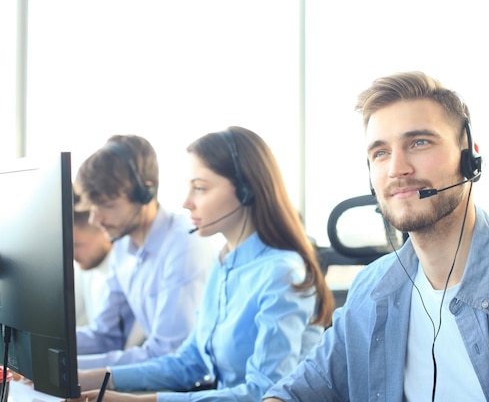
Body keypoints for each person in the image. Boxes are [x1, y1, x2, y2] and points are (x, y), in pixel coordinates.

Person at [263, 71, 489, 401]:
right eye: (381, 152)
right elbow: (298, 390)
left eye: (419, 143)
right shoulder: (370, 292)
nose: (397, 169)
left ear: (469, 158)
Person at [77, 126, 335, 402]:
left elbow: (264, 393)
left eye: (200, 188)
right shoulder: (224, 262)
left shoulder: (281, 273)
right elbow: (190, 362)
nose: (187, 203)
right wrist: (97, 377)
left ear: (246, 190)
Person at [73, 134, 214, 369]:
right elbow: (107, 336)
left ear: (145, 194)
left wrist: (68, 368)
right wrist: (45, 348)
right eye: (93, 207)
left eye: (107, 206)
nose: (95, 219)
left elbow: (167, 354)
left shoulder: (183, 245)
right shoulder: (122, 249)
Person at [73, 207, 113, 327]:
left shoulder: (120, 274)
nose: (73, 255)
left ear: (104, 234)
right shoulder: (85, 269)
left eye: (78, 245)